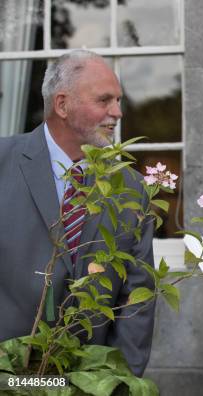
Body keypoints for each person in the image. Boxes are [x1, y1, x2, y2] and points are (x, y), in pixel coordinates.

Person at [0, 49, 155, 376]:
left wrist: (117, 381)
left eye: (119, 100)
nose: (118, 112)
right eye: (104, 100)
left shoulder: (131, 187)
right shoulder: (3, 163)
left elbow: (138, 299)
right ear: (62, 104)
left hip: (89, 380)